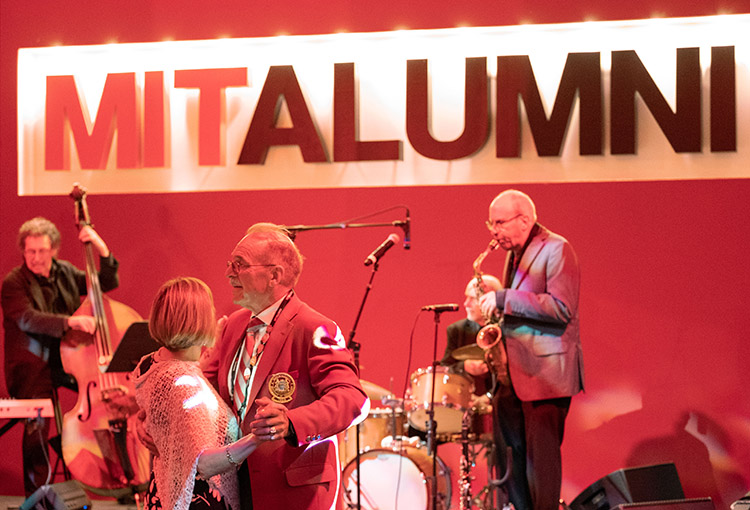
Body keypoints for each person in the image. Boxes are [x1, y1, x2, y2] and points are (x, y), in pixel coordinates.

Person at [201, 222, 369, 510]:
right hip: (236, 488)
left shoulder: (315, 327)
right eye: (230, 263)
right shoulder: (233, 326)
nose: (229, 272)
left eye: (239, 265)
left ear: (273, 275)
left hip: (293, 493)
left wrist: (292, 422)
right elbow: (205, 389)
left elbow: (353, 399)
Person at [478, 190, 584, 510]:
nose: (494, 232)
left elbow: (562, 307)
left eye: (500, 223)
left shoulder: (557, 249)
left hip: (545, 377)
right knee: (517, 459)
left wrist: (504, 299)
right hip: (519, 375)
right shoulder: (516, 253)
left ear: (524, 220)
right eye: (491, 224)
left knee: (543, 466)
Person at [1, 217, 118, 496]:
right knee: (38, 424)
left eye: (42, 251)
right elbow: (28, 319)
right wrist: (70, 322)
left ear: (53, 249)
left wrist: (100, 247)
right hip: (31, 366)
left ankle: (114, 474)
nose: (37, 258)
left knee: (107, 397)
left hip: (68, 362)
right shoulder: (13, 283)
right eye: (31, 252)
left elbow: (104, 283)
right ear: (23, 252)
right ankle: (38, 494)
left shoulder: (64, 272)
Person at [133, 277, 259, 510]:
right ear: (198, 320)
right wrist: (256, 439)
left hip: (162, 492)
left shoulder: (150, 363)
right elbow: (203, 463)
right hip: (196, 499)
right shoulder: (185, 383)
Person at [441, 274, 503, 397]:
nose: (465, 304)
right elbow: (445, 368)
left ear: (488, 298)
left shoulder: (507, 328)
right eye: (466, 298)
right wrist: (464, 366)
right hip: (468, 400)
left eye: (472, 298)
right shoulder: (456, 330)